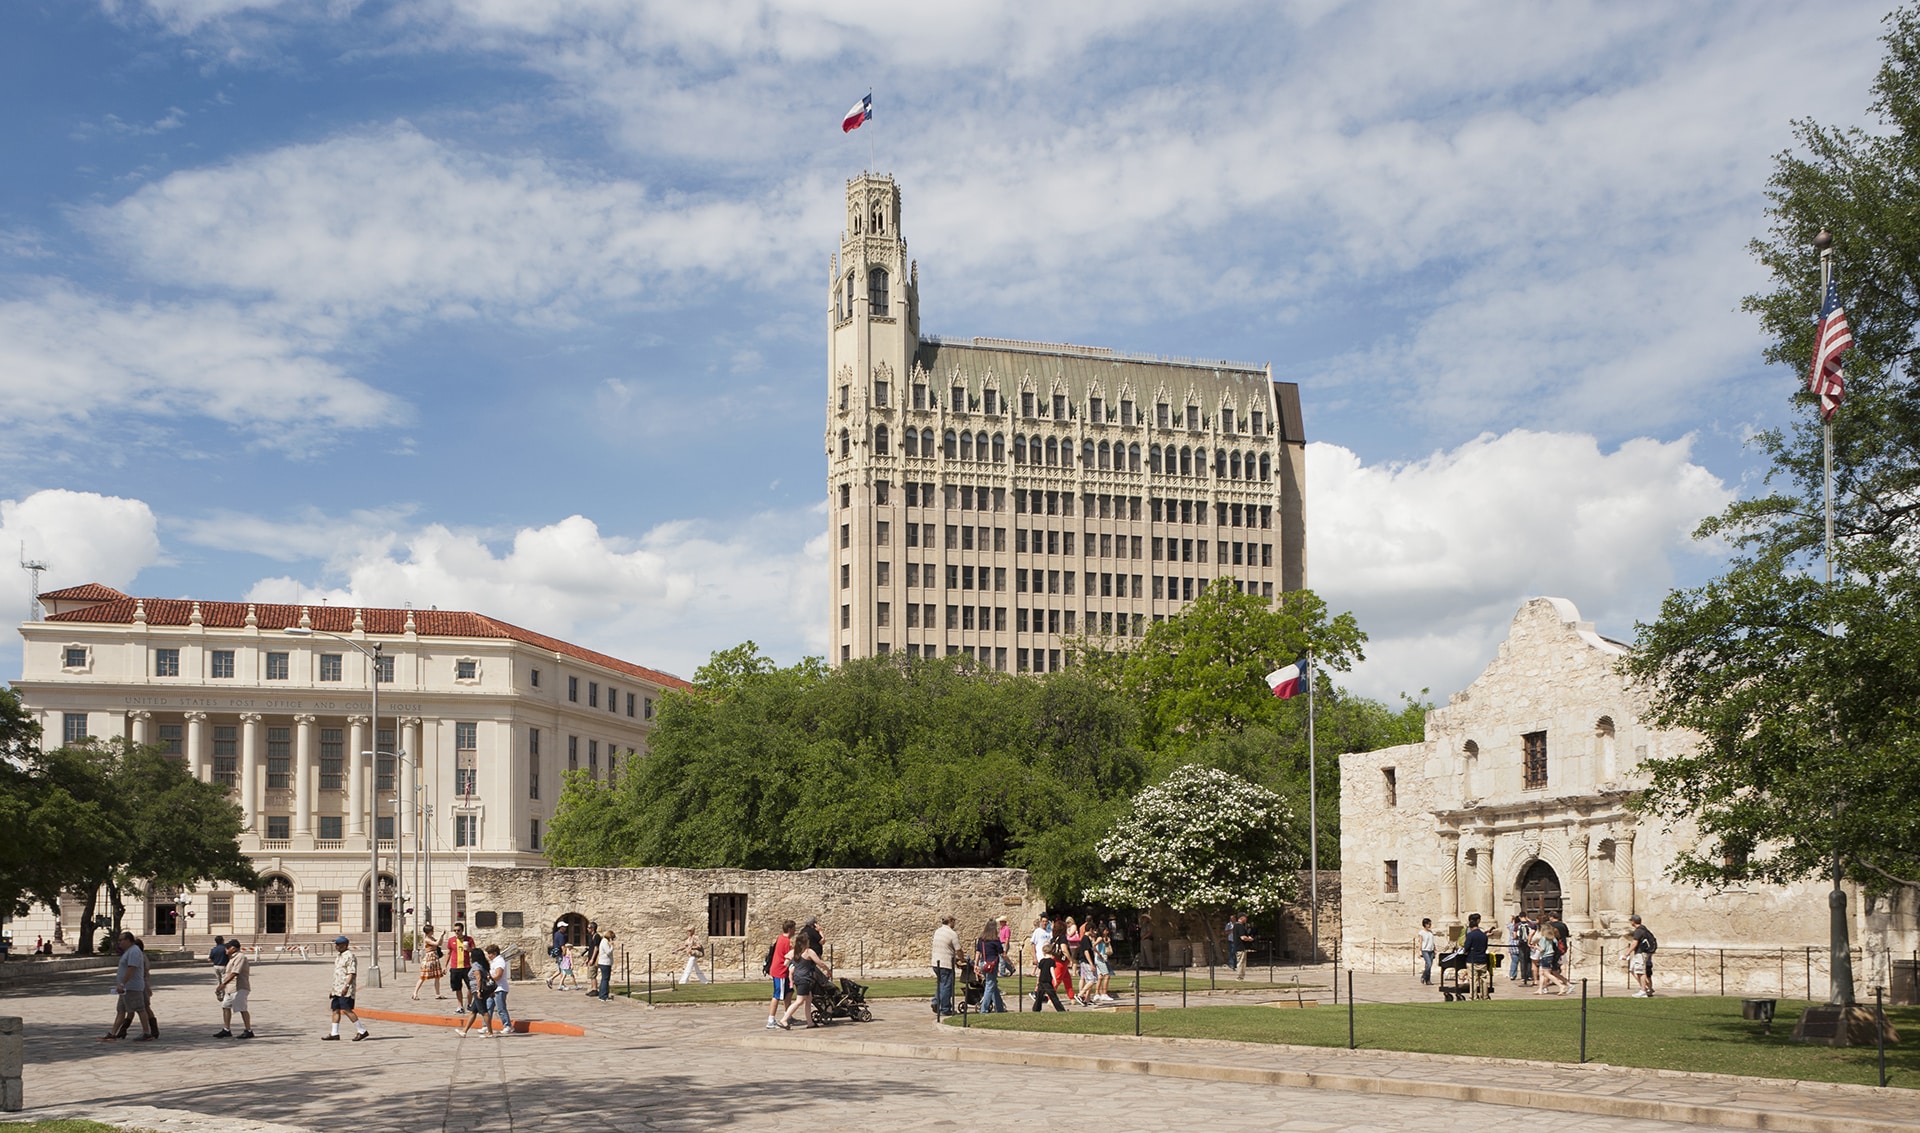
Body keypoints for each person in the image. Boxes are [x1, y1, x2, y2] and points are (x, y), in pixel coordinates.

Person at [777, 919, 830, 1030]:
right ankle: (784, 1019)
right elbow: (819, 963)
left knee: (808, 999)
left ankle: (810, 1023)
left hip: (798, 977)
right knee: (800, 1000)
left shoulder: (794, 952)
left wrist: (792, 966)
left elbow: (786, 962)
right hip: (804, 978)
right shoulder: (808, 952)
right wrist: (827, 970)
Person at [100, 932, 145, 1043]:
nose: (119, 942)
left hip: (132, 987)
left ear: (128, 940)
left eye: (121, 940)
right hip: (125, 989)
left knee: (140, 1009)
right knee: (121, 1010)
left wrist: (122, 983)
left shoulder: (134, 951)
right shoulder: (128, 951)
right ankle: (113, 1033)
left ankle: (146, 1032)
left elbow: (131, 969)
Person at [324, 935, 369, 1041]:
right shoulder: (339, 956)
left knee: (347, 1010)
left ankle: (361, 1030)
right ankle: (334, 1033)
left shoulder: (350, 956)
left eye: (338, 944)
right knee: (335, 1009)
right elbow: (338, 974)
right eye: (336, 944)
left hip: (345, 989)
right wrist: (333, 989)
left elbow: (351, 973)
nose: (336, 946)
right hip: (337, 989)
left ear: (345, 945)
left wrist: (346, 986)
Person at [214, 940, 254, 1039]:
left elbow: (235, 973)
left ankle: (248, 1030)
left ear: (233, 948)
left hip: (239, 987)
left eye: (227, 948)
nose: (225, 950)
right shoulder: (231, 958)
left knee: (242, 1008)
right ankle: (226, 1029)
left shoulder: (240, 957)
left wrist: (222, 984)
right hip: (230, 988)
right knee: (225, 1006)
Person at [930, 915, 960, 1018]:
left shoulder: (938, 931)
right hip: (946, 963)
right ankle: (946, 1008)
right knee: (947, 986)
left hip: (935, 962)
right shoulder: (952, 934)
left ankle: (936, 1001)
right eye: (954, 921)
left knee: (941, 984)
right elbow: (958, 949)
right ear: (951, 922)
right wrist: (962, 959)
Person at [459, 950, 495, 1036]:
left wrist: (479, 991)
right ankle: (464, 1031)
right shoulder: (484, 965)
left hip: (478, 990)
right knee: (473, 1011)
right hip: (482, 990)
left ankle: (490, 1032)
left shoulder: (476, 966)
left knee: (483, 1011)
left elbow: (478, 978)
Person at [974, 919, 1007, 1013]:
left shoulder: (981, 940)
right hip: (991, 965)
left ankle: (999, 1008)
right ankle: (983, 1009)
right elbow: (1002, 954)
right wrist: (1010, 964)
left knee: (993, 985)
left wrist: (975, 965)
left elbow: (978, 952)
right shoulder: (995, 940)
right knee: (990, 985)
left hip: (983, 963)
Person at [766, 920, 794, 1029]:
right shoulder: (786, 942)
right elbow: (789, 957)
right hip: (780, 971)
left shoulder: (780, 938)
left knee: (789, 992)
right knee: (777, 995)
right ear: (790, 929)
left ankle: (787, 1015)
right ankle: (771, 1020)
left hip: (780, 970)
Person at [444, 923, 475, 1014]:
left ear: (462, 930)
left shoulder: (469, 939)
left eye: (458, 930)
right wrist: (445, 966)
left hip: (466, 967)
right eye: (455, 930)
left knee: (471, 987)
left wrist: (469, 949)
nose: (456, 932)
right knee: (457, 988)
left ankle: (469, 1004)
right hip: (455, 967)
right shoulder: (451, 940)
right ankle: (460, 1006)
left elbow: (474, 951)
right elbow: (448, 953)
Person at [1625, 914, 1657, 997]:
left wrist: (1627, 953)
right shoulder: (1643, 929)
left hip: (1641, 952)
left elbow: (1634, 943)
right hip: (1639, 953)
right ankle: (1647, 987)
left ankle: (1643, 991)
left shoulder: (1638, 931)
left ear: (1633, 921)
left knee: (1640, 971)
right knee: (1632, 969)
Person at [1462, 913, 1491, 1000]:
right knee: (1484, 979)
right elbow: (1485, 947)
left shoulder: (1470, 935)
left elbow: (1466, 947)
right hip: (1482, 959)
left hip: (1473, 959)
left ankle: (1473, 996)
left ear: (1471, 927)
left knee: (1473, 979)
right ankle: (1485, 996)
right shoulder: (1484, 935)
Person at [485, 944, 513, 1034]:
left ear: (494, 953)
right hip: (493, 989)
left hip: (500, 988)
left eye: (490, 954)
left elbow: (498, 975)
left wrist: (489, 978)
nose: (488, 956)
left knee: (501, 1008)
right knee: (488, 1007)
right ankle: (486, 1025)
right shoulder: (494, 962)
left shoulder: (499, 962)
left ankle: (507, 1025)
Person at [1032, 942, 1067, 1011]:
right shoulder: (1051, 961)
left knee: (1039, 996)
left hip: (1042, 980)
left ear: (1043, 952)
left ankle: (1036, 1009)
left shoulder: (1042, 961)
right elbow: (1052, 970)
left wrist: (1037, 981)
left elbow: (1040, 972)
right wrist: (1055, 979)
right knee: (1053, 996)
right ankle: (1060, 1009)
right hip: (1047, 981)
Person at [1232, 915, 1258, 981]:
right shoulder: (1240, 926)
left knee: (1240, 962)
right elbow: (1243, 937)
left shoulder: (1235, 925)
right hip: (1241, 947)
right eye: (1245, 918)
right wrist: (1250, 939)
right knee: (1241, 963)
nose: (1246, 919)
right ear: (1241, 918)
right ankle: (1240, 977)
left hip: (1237, 947)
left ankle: (1240, 977)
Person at [594, 930, 616, 1001]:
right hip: (605, 963)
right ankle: (603, 996)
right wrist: (612, 946)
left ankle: (602, 994)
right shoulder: (604, 942)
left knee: (605, 979)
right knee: (605, 979)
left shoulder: (604, 941)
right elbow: (608, 952)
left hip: (605, 962)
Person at [1418, 918, 1437, 985]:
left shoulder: (1430, 932)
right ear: (1425, 924)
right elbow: (1420, 942)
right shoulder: (1421, 933)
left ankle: (1428, 980)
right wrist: (1419, 952)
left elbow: (1432, 941)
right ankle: (1423, 976)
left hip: (1431, 950)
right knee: (1428, 964)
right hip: (1425, 950)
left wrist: (1435, 949)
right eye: (1428, 923)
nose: (1430, 925)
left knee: (1429, 965)